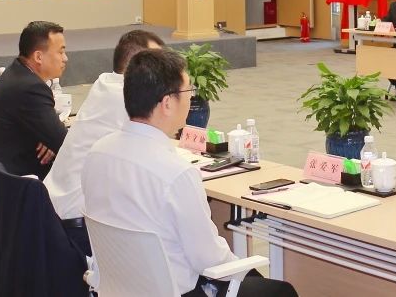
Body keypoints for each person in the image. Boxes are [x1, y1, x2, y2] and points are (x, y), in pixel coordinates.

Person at [82, 49, 299, 297]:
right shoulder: (176, 173)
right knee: (280, 291)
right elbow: (209, 259)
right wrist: (245, 268)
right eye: (188, 91)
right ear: (167, 103)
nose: (192, 98)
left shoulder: (97, 152)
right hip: (178, 291)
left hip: (119, 287)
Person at [45, 29, 166, 255]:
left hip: (54, 212)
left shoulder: (105, 82)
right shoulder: (128, 98)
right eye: (157, 63)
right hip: (78, 224)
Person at [0, 21, 70, 214]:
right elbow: (64, 143)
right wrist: (52, 138)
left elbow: (52, 135)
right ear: (38, 56)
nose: (65, 58)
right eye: (61, 52)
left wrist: (49, 138)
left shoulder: (16, 72)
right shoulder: (31, 87)